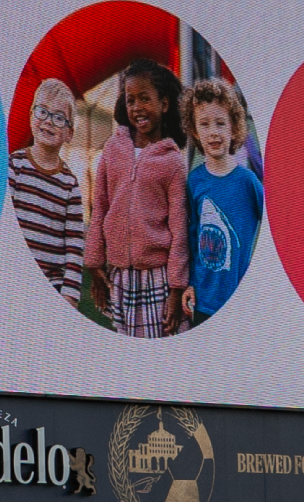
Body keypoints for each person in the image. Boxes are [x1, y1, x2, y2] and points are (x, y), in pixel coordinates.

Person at [84, 59, 191, 337]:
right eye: (130, 100)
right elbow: (100, 208)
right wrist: (95, 263)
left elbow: (180, 229)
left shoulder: (173, 162)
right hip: (119, 274)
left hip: (158, 276)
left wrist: (176, 288)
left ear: (164, 104)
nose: (136, 108)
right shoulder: (112, 149)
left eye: (145, 99)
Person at [182, 78, 265, 326]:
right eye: (204, 124)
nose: (214, 132)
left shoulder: (247, 181)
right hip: (203, 301)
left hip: (240, 300)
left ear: (234, 128)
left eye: (220, 123)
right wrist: (191, 284)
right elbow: (192, 237)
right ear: (195, 131)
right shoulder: (194, 181)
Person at [9, 78, 85, 306]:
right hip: (13, 279)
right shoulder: (14, 166)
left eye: (59, 117)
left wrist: (69, 294)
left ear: (69, 134)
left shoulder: (69, 183)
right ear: (31, 116)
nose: (49, 121)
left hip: (50, 288)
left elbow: (74, 243)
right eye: (42, 111)